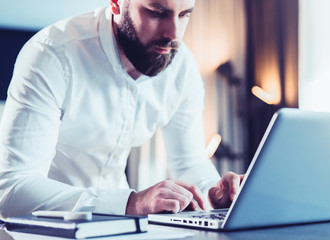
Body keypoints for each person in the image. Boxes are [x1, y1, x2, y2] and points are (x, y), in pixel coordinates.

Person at [0, 0, 243, 218]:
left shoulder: (181, 66)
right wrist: (132, 203)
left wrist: (215, 193)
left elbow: (190, 162)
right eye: (157, 12)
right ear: (116, 3)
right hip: (43, 230)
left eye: (184, 15)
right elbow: (12, 189)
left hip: (123, 228)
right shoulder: (51, 55)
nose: (174, 34)